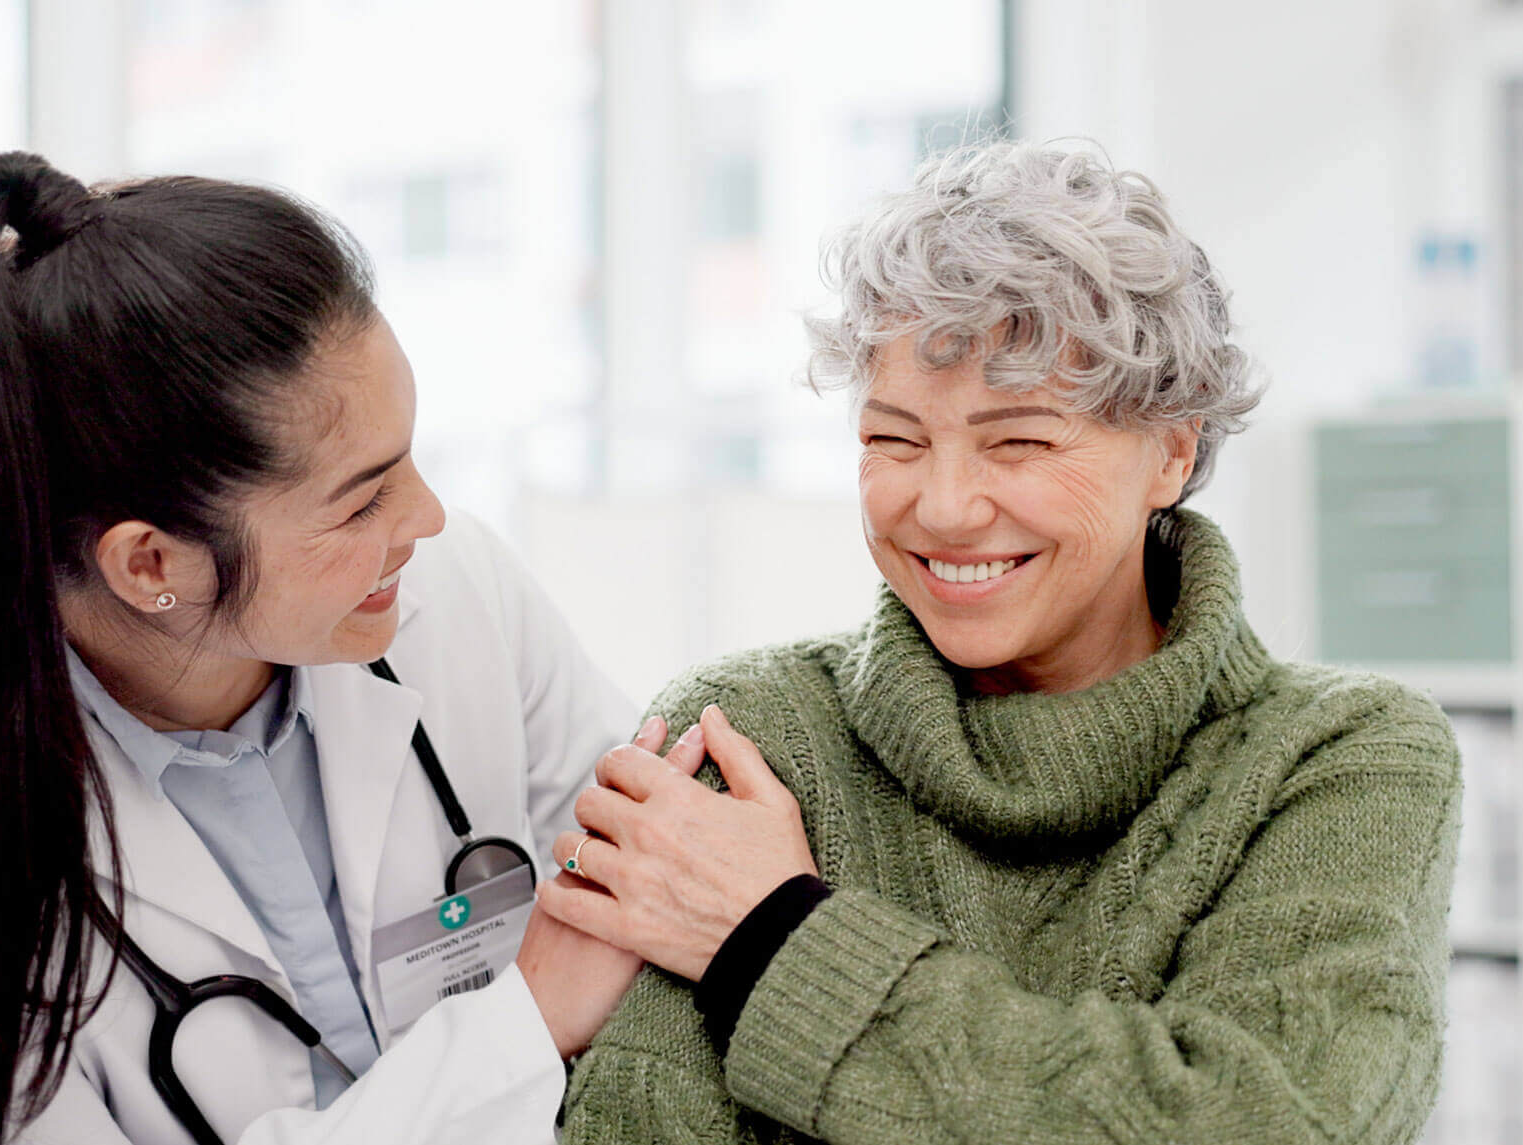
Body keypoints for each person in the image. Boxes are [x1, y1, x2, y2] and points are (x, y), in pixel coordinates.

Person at [545, 141, 1462, 1143]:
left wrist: (773, 939)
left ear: (1172, 448)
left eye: (1017, 440)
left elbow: (1268, 1121)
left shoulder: (1341, 756)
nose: (940, 506)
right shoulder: (749, 732)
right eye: (892, 440)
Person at [0, 152, 689, 1145]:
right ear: (150, 561)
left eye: (411, 461)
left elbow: (656, 910)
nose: (423, 516)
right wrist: (520, 1025)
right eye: (361, 498)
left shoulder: (459, 598)